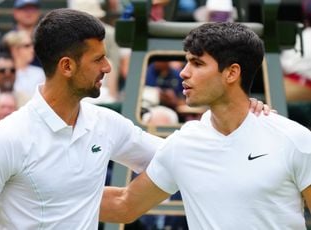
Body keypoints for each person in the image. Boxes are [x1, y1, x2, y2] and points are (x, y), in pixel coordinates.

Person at [0, 9, 268, 229]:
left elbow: (180, 156)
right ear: (67, 66)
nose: (108, 67)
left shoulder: (106, 124)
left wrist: (242, 111)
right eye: (98, 59)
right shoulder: (5, 139)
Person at [100, 22, 311, 229]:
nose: (184, 72)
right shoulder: (183, 143)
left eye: (197, 63)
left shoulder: (294, 139)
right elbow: (125, 205)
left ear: (231, 73)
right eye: (186, 62)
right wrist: (66, 189)